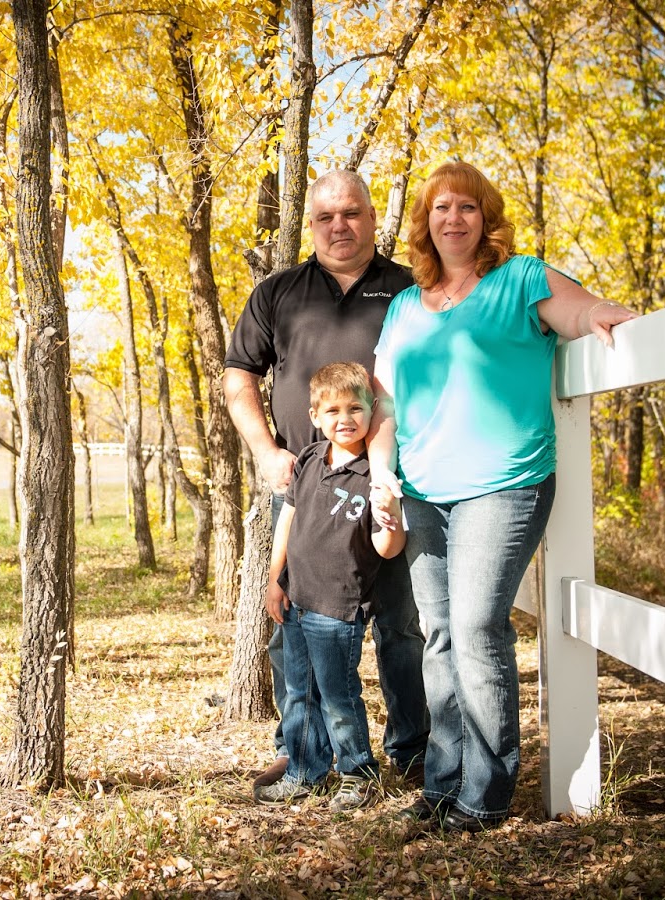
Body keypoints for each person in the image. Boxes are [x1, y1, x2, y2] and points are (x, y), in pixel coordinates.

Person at [367, 161, 636, 833]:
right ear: (425, 224)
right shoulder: (404, 307)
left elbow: (576, 310)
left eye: (466, 206)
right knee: (437, 636)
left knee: (476, 626)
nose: (452, 217)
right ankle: (443, 781)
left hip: (505, 483)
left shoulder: (520, 278)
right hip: (424, 492)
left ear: (486, 218)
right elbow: (383, 404)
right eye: (439, 208)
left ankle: (485, 797)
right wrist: (380, 472)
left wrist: (599, 312)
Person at [224, 170, 430, 792]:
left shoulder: (409, 290)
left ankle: (413, 750)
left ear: (372, 217)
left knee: (401, 625)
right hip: (302, 488)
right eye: (325, 217)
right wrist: (265, 452)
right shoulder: (279, 292)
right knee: (297, 626)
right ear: (310, 224)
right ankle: (304, 751)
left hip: (390, 485)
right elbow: (238, 377)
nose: (338, 226)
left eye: (351, 213)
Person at [255, 363, 406, 810]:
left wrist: (391, 516)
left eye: (355, 408)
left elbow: (388, 549)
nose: (345, 418)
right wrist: (273, 579)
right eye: (333, 409)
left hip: (339, 606)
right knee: (299, 691)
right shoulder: (308, 460)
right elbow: (289, 518)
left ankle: (359, 774)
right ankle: (305, 771)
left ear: (371, 411)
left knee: (338, 696)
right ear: (316, 416)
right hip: (297, 595)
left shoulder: (376, 474)